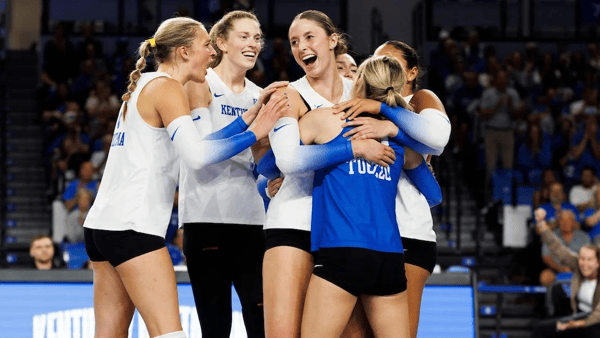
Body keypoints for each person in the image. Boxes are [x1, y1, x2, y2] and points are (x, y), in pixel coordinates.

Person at [83, 17, 282, 338]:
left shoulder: (144, 83)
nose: (211, 54)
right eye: (206, 45)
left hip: (101, 228)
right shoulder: (170, 88)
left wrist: (247, 120)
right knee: (169, 334)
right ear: (184, 52)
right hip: (134, 228)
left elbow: (199, 143)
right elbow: (198, 157)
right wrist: (255, 133)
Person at [300, 55, 441, 338]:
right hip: (388, 257)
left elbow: (277, 162)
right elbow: (434, 194)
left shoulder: (327, 120)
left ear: (358, 82)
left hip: (342, 250)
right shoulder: (401, 141)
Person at [261, 11, 380, 338]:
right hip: (295, 225)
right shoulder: (287, 95)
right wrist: (352, 149)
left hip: (348, 232)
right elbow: (287, 159)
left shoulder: (363, 92)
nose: (300, 47)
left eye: (309, 37)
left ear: (332, 40)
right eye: (294, 42)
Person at [332, 40, 451, 338]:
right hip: (359, 238)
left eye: (389, 62)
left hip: (408, 234)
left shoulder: (420, 99)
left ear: (410, 73)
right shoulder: (346, 111)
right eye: (373, 60)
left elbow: (437, 144)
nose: (378, 66)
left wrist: (390, 126)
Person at [180, 11, 287, 338]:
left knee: (262, 322)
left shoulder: (260, 94)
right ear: (221, 42)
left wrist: (274, 167)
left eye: (257, 38)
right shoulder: (201, 84)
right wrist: (254, 131)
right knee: (216, 328)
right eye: (244, 36)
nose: (253, 43)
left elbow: (263, 165)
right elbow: (202, 152)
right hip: (206, 218)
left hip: (253, 222)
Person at [532, 207, 600, 338]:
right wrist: (542, 224)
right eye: (582, 259)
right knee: (541, 329)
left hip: (594, 321)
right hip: (579, 316)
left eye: (590, 260)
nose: (585, 264)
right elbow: (558, 248)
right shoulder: (582, 264)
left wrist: (575, 323)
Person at [539, 210, 590, 287]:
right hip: (555, 270)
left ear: (574, 223)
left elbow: (590, 257)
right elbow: (546, 257)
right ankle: (551, 298)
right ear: (559, 223)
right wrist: (560, 269)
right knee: (545, 277)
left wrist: (577, 269)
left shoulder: (583, 237)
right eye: (562, 221)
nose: (565, 224)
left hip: (579, 270)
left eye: (568, 221)